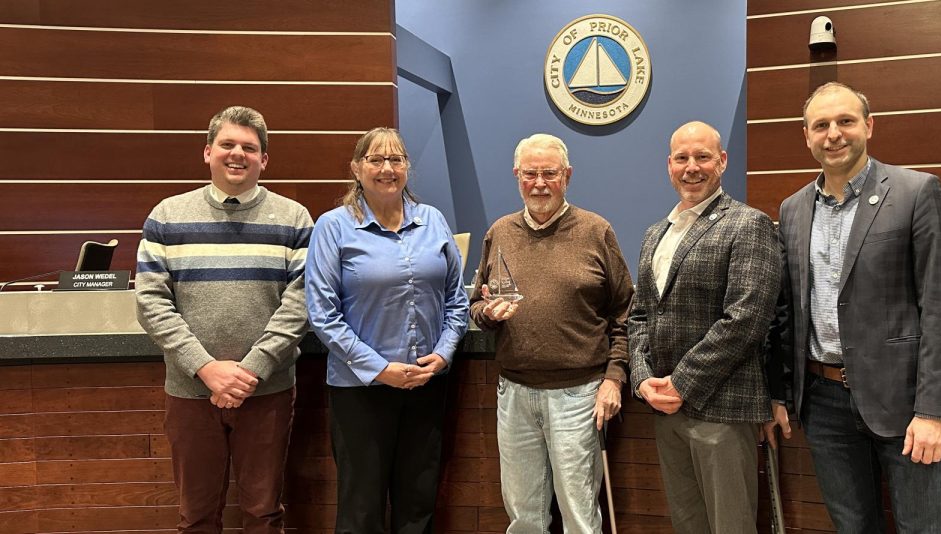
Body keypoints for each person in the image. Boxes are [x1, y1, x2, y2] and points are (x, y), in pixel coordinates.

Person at [762, 82, 941, 532]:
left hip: (904, 402)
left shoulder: (917, 192)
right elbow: (786, 312)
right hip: (823, 401)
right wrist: (780, 392)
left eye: (845, 121)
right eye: (821, 125)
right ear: (807, 136)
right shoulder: (793, 210)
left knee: (924, 528)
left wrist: (935, 411)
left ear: (869, 127)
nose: (834, 134)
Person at [135, 106, 312, 533]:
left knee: (264, 514)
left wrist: (251, 370)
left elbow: (301, 303)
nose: (238, 154)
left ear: (264, 159)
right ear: (207, 151)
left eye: (249, 148)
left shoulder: (294, 218)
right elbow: (151, 303)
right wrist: (206, 368)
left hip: (267, 391)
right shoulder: (167, 216)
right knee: (195, 517)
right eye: (228, 145)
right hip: (190, 392)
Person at [305, 127, 469, 534]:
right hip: (360, 393)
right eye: (376, 160)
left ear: (407, 168)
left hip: (425, 386)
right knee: (362, 511)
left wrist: (444, 354)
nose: (387, 169)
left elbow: (457, 301)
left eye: (396, 160)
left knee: (418, 506)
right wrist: (380, 369)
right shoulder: (333, 226)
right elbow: (323, 314)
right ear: (357, 169)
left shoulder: (432, 220)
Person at [469, 133, 634, 534]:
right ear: (516, 176)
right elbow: (476, 306)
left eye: (549, 173)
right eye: (530, 173)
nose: (539, 182)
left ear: (567, 176)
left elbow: (626, 312)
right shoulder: (500, 232)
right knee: (524, 516)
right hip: (514, 395)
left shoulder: (596, 231)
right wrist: (489, 313)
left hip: (579, 396)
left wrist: (614, 378)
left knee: (579, 514)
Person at [628, 121, 782, 533]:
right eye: (682, 158)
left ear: (722, 161)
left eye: (702, 157)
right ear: (669, 165)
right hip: (665, 408)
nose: (691, 167)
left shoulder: (749, 225)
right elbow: (640, 315)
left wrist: (681, 383)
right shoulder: (653, 234)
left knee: (731, 525)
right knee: (687, 524)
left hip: (722, 409)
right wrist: (643, 380)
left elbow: (745, 320)